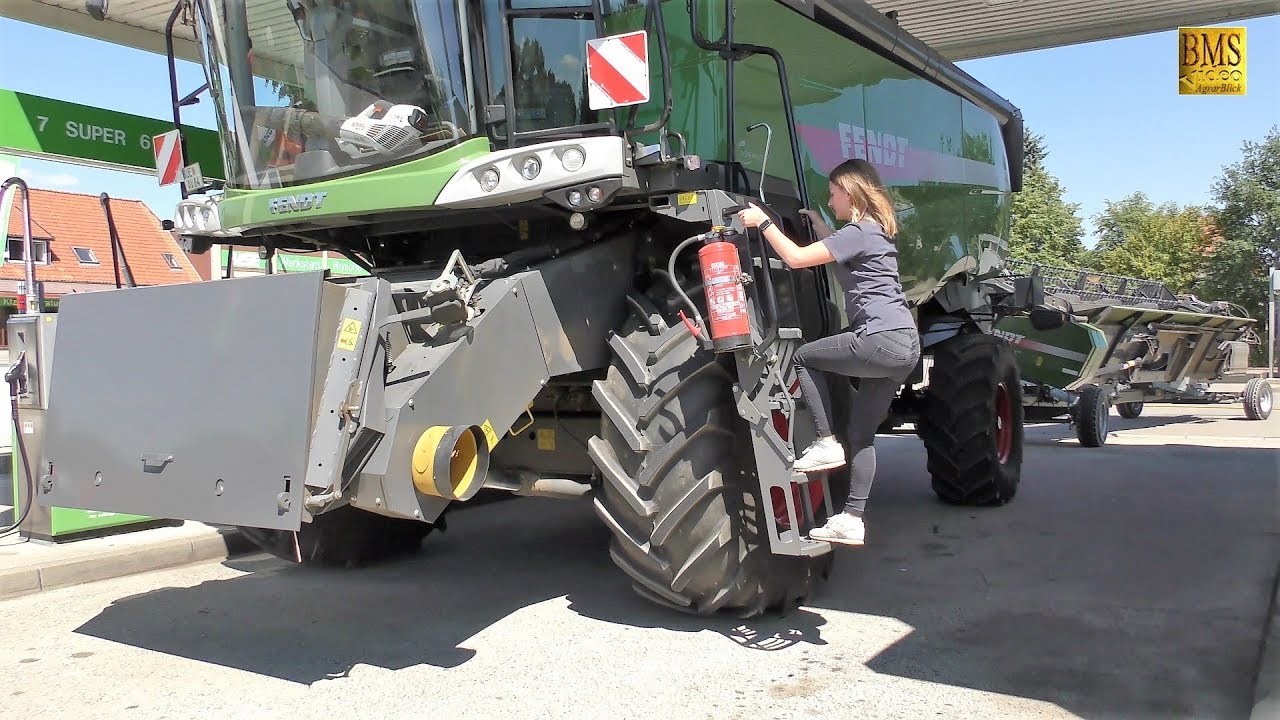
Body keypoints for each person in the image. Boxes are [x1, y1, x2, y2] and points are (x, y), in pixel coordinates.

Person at [735, 158, 920, 546]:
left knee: (804, 357)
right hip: (905, 344)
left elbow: (798, 259)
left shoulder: (858, 231)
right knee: (863, 435)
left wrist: (763, 223)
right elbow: (839, 257)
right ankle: (852, 518)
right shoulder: (876, 233)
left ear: (850, 192)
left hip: (878, 338)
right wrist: (820, 228)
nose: (830, 199)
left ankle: (824, 442)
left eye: (833, 192)